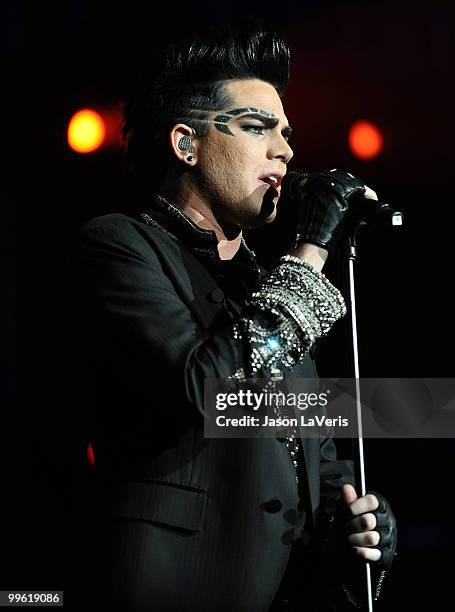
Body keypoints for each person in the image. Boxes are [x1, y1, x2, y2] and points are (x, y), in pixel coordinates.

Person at [66, 22, 397, 612]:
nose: (286, 152)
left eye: (288, 135)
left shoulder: (269, 290)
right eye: (256, 128)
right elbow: (206, 388)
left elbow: (308, 452)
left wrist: (352, 522)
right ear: (186, 144)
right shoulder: (119, 245)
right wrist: (312, 253)